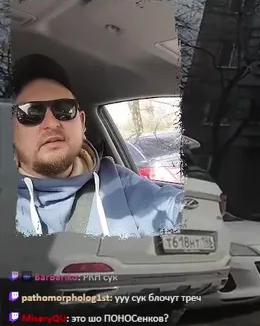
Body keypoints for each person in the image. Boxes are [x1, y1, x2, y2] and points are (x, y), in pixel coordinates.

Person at [11, 54, 183, 238]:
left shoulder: (122, 186)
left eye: (64, 109)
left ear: (82, 122)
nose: (52, 123)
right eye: (31, 113)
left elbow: (174, 209)